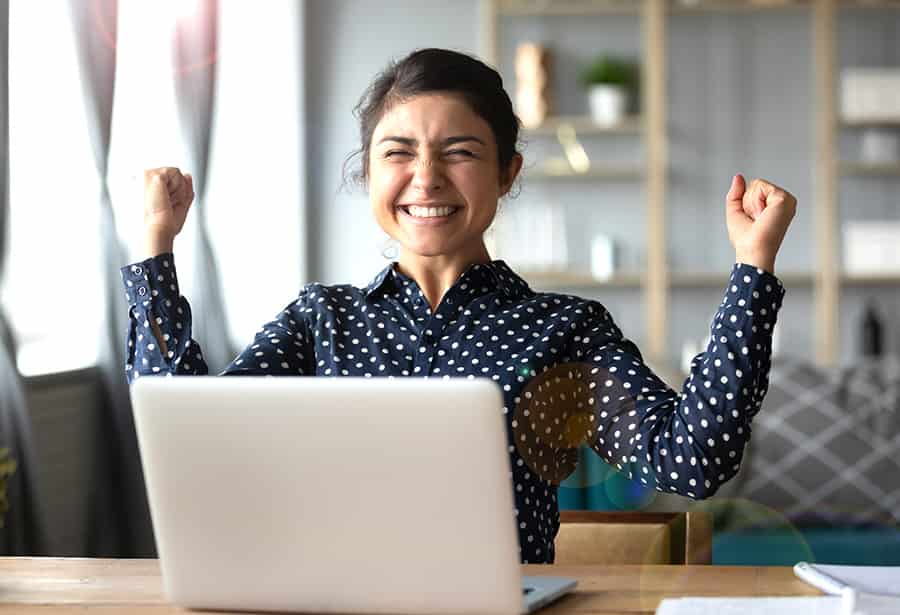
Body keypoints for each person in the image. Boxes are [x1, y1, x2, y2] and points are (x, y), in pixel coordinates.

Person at [121, 48, 797, 563]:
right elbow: (194, 442)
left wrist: (752, 267)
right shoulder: (318, 321)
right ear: (370, 172)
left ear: (508, 171)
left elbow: (692, 459)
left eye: (459, 151)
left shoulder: (564, 330)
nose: (427, 177)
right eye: (399, 152)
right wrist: (155, 248)